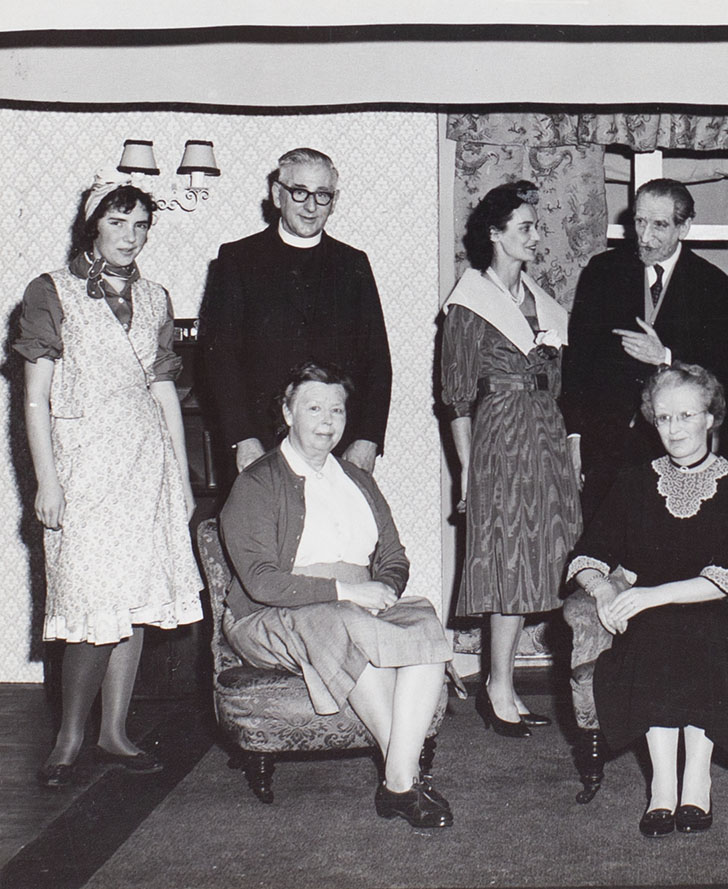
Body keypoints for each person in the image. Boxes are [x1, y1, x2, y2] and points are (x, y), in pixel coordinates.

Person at [16, 174, 203, 787]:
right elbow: (35, 399)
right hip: (83, 460)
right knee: (91, 596)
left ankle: (114, 732)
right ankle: (68, 738)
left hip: (143, 460)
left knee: (135, 597)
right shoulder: (51, 292)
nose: (130, 236)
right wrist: (47, 481)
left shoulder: (155, 297)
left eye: (141, 225)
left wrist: (180, 471)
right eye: (118, 222)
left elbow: (163, 388)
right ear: (93, 224)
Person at [219, 362, 454, 829]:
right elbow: (262, 581)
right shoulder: (258, 481)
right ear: (287, 413)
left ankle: (398, 781)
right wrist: (348, 591)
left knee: (425, 624)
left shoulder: (359, 480)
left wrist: (385, 588)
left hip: (357, 603)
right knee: (343, 622)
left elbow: (393, 555)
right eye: (313, 408)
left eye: (337, 410)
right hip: (275, 612)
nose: (327, 421)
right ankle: (406, 780)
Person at [569, 364, 728, 837]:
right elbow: (588, 555)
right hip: (654, 613)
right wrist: (607, 589)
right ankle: (662, 788)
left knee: (700, 630)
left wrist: (649, 596)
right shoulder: (632, 483)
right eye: (664, 417)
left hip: (724, 612)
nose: (674, 429)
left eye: (685, 416)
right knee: (656, 632)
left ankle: (697, 780)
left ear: (711, 418)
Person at [441, 180, 582, 737]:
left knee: (537, 558)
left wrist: (571, 453)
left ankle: (505, 683)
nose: (536, 236)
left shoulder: (542, 302)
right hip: (499, 438)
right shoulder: (468, 303)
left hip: (546, 436)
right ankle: (496, 686)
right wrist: (469, 471)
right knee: (505, 558)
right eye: (525, 227)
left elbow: (563, 387)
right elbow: (456, 399)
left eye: (536, 226)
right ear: (494, 234)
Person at [198, 147, 391, 475]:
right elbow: (220, 360)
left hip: (337, 445)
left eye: (323, 195)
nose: (311, 206)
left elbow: (377, 360)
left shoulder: (352, 264)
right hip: (260, 444)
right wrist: (242, 438)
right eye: (300, 192)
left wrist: (368, 439)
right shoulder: (238, 259)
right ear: (277, 194)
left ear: (335, 200)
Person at [562, 178, 728, 517]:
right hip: (604, 444)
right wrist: (575, 436)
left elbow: (723, 372)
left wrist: (666, 357)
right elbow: (576, 363)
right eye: (639, 222)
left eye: (659, 225)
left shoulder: (713, 285)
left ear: (684, 226)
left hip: (673, 443)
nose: (644, 236)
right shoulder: (603, 272)